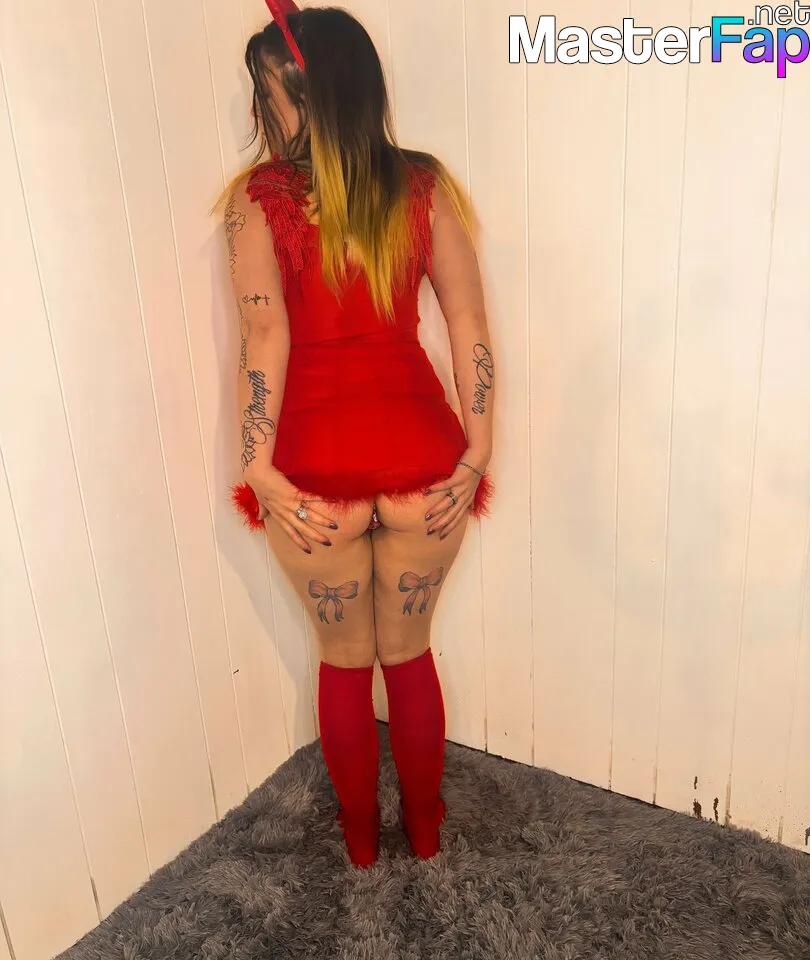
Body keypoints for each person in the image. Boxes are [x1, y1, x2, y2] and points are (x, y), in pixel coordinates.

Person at [220, 2, 495, 868]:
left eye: (268, 94)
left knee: (343, 663)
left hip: (311, 472)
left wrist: (256, 464)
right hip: (424, 458)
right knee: (407, 656)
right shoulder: (424, 186)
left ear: (308, 95)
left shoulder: (257, 202)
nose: (262, 112)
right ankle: (425, 831)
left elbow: (266, 335)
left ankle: (361, 843)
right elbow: (469, 320)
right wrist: (479, 448)